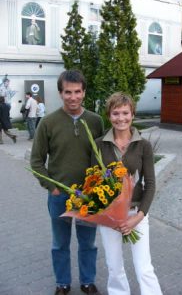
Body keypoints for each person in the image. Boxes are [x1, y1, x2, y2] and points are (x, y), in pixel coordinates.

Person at [30, 70, 104, 295]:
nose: (73, 97)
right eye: (68, 92)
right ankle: (62, 283)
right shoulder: (48, 123)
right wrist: (51, 187)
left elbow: (103, 158)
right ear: (61, 93)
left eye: (78, 92)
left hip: (87, 197)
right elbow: (36, 161)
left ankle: (87, 281)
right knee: (60, 244)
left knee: (88, 243)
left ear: (84, 92)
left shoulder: (95, 121)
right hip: (59, 196)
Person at [94, 92, 163, 295]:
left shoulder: (143, 145)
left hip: (136, 214)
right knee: (114, 266)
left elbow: (150, 184)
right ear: (109, 115)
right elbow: (95, 181)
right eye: (116, 113)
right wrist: (107, 213)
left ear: (132, 114)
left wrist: (138, 217)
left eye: (125, 113)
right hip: (108, 216)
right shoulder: (99, 144)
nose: (121, 118)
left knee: (143, 267)